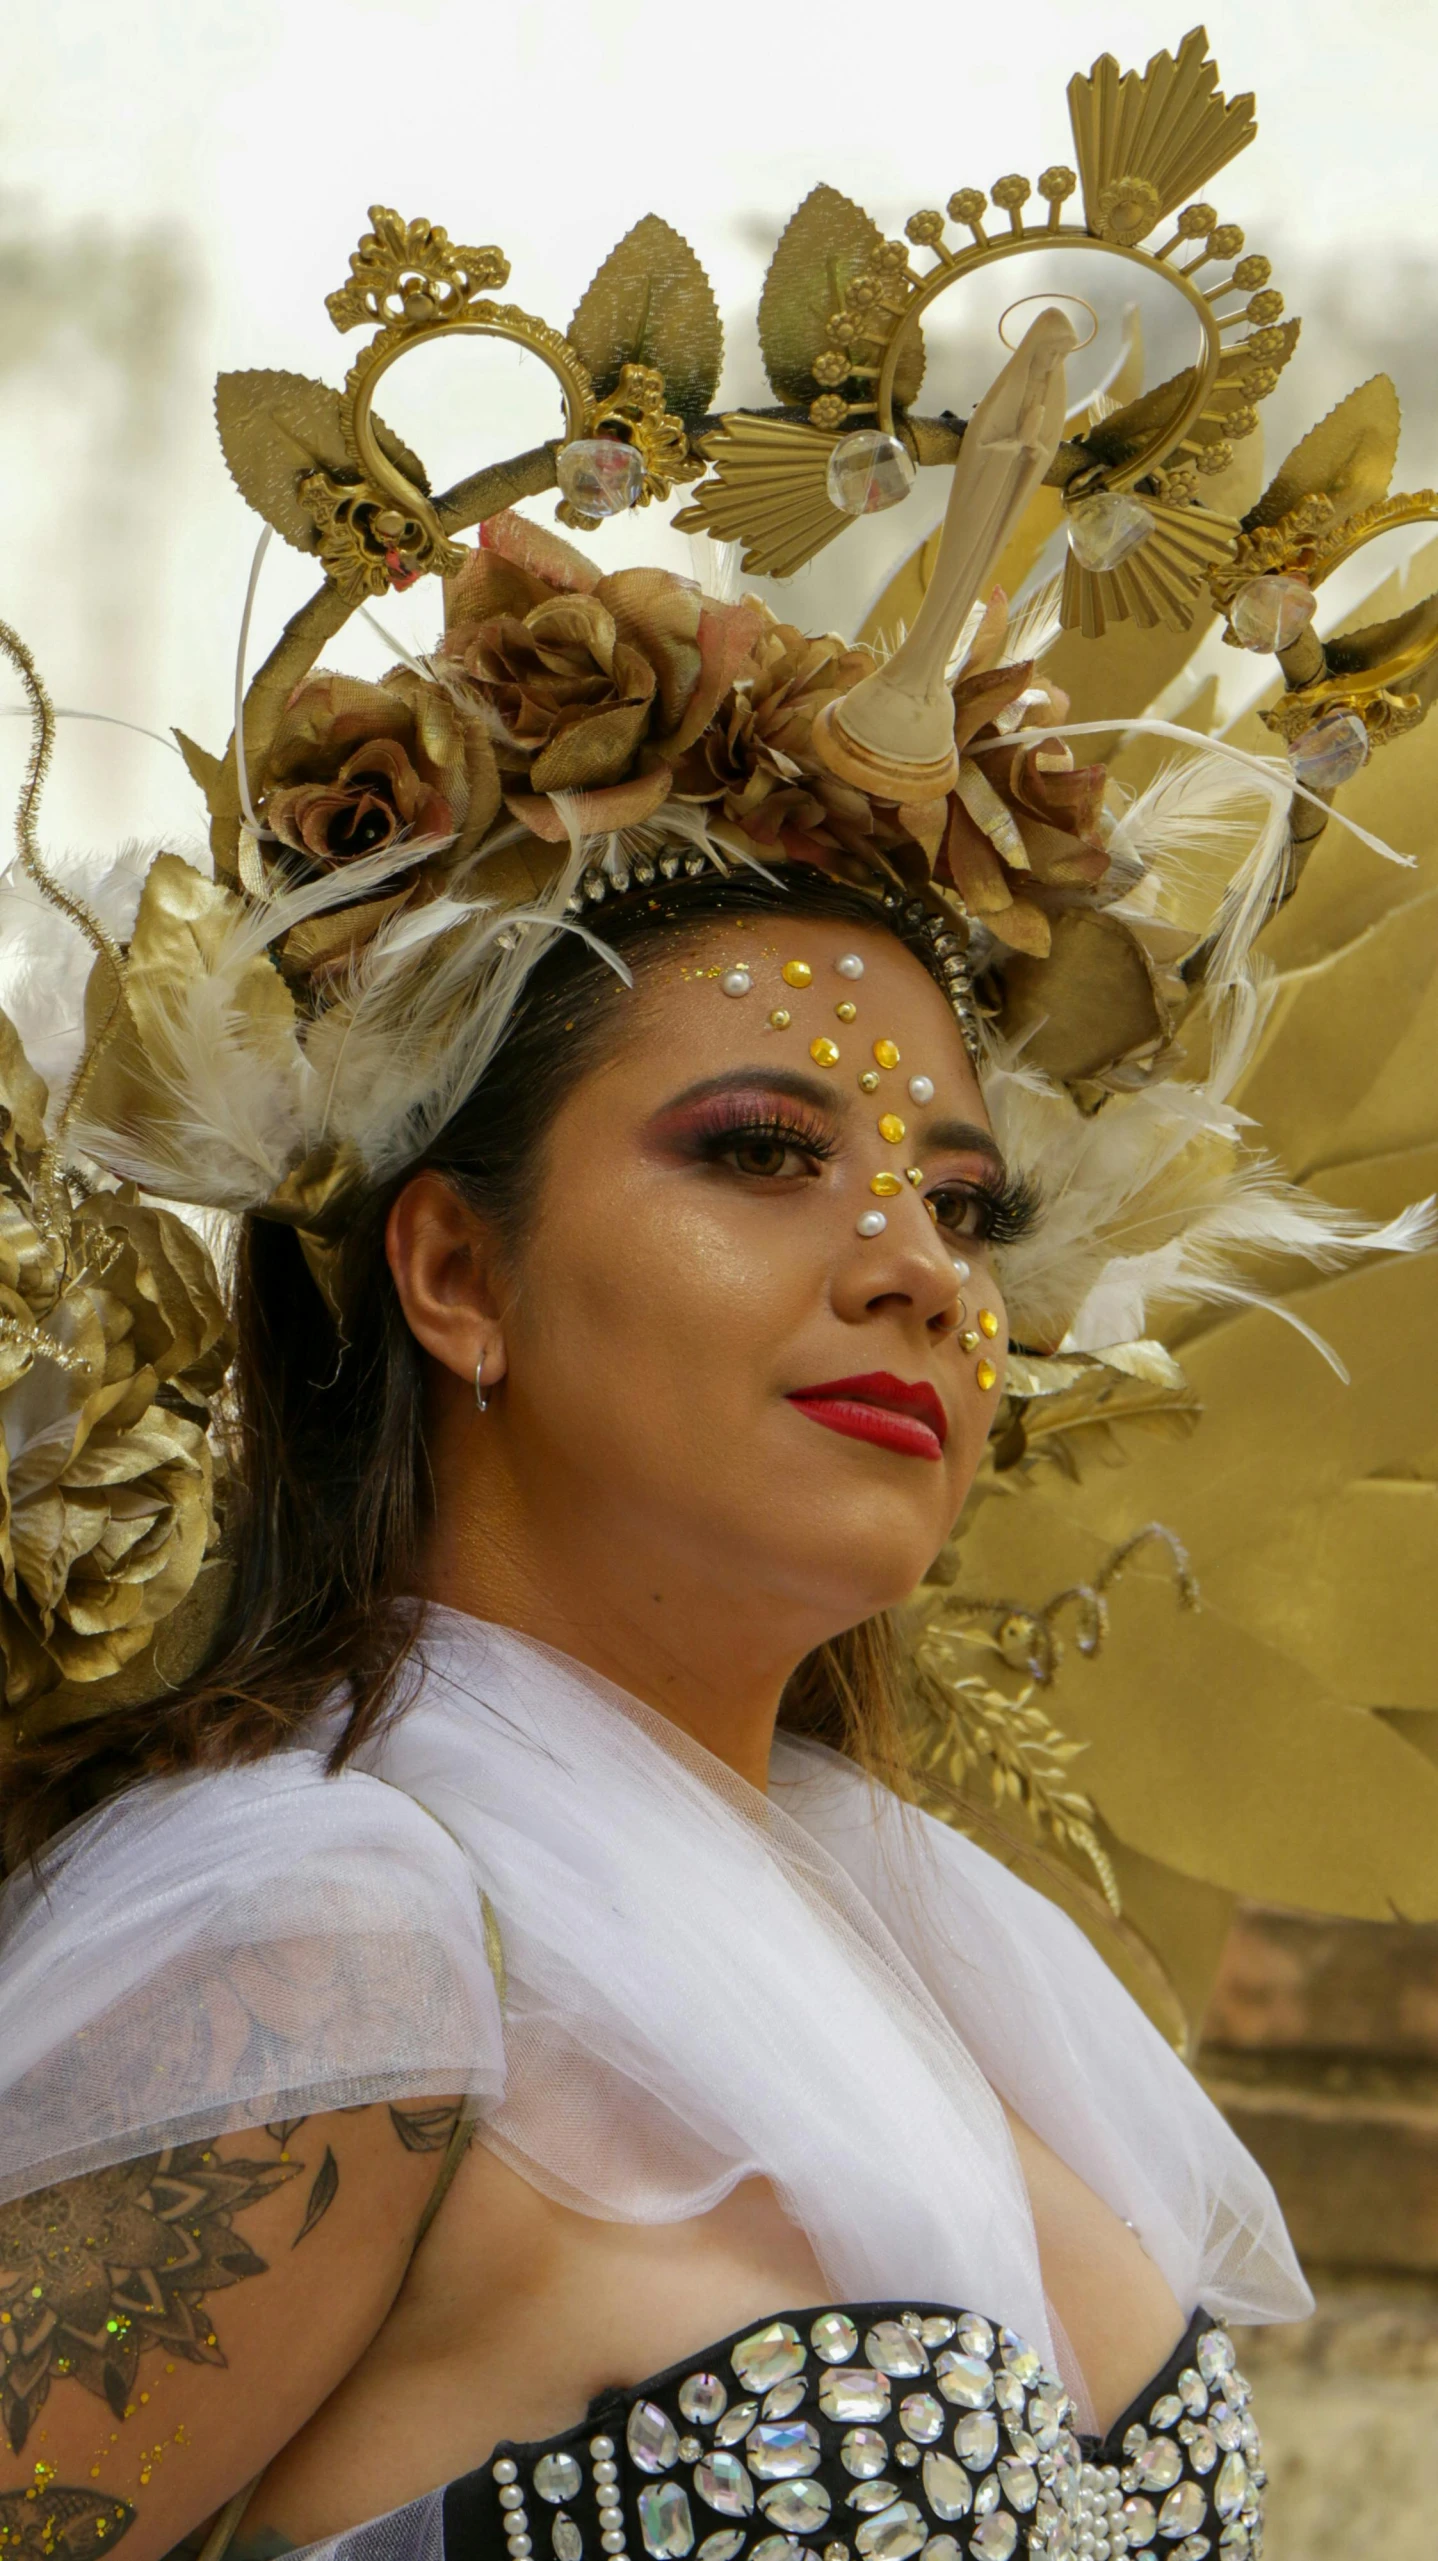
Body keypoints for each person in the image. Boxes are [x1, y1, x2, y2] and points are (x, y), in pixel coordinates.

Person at [0, 49, 1426, 2558]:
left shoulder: (942, 1949)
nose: (906, 1259)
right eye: (755, 1154)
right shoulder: (326, 1932)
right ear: (451, 1267)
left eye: (966, 1209)